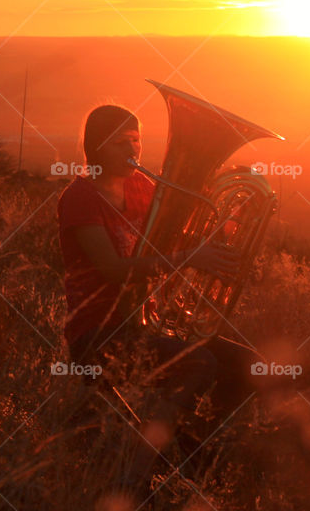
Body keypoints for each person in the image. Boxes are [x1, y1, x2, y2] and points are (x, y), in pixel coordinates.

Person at [56, 104, 254, 492]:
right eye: (122, 142)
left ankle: (195, 454)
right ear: (96, 147)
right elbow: (112, 269)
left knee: (247, 364)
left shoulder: (141, 187)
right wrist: (187, 257)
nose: (134, 150)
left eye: (137, 140)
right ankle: (139, 472)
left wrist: (220, 235)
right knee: (198, 362)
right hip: (98, 333)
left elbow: (171, 243)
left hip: (142, 322)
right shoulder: (80, 196)